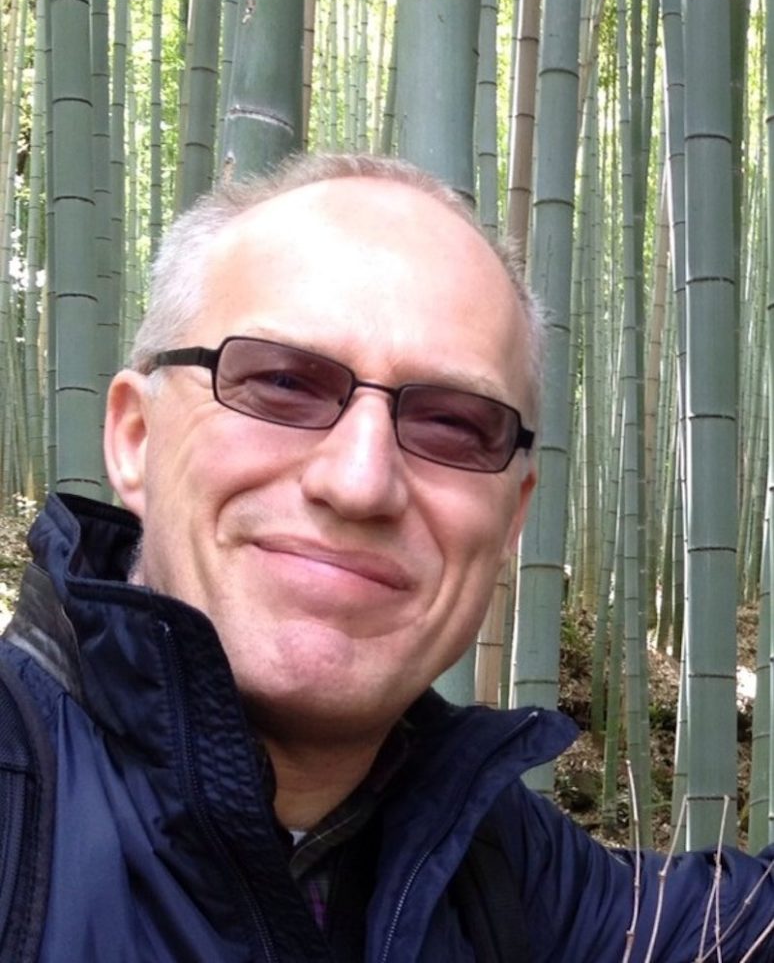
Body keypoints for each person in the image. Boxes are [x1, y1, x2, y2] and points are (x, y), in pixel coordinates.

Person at [1, 152, 772, 963]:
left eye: (453, 424)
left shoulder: (505, 872)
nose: (360, 481)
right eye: (282, 383)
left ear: (513, 516)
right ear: (135, 439)